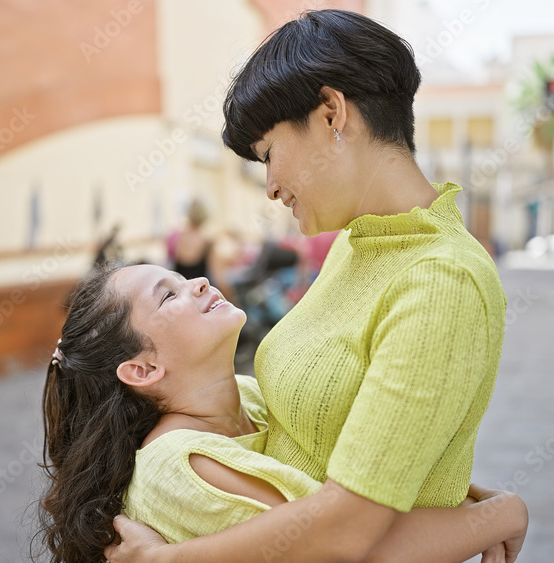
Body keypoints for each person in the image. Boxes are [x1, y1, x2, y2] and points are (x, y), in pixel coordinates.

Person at [106, 9, 519, 563]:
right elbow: (349, 432)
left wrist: (164, 560)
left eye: (268, 154)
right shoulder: (357, 243)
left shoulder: (442, 280)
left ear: (331, 115)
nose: (271, 186)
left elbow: (347, 535)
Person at [37, 264, 527, 563]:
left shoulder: (248, 398)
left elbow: (355, 466)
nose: (200, 283)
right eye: (169, 295)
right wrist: (502, 513)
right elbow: (359, 547)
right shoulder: (181, 466)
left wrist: (465, 493)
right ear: (143, 368)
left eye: (184, 279)